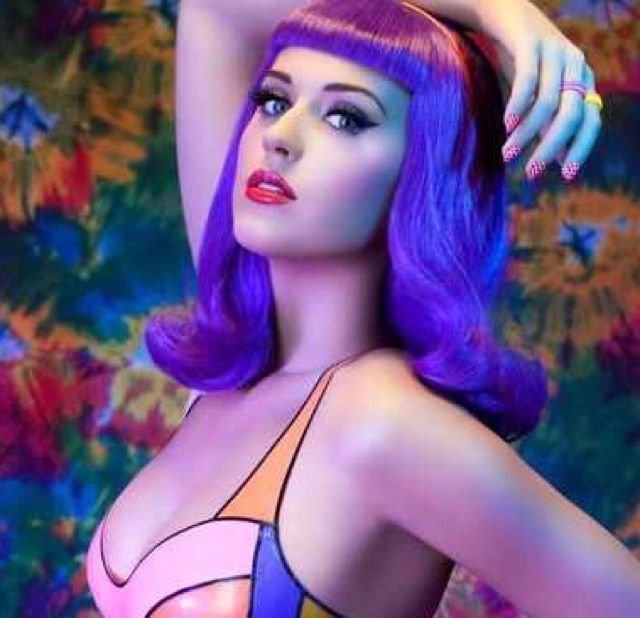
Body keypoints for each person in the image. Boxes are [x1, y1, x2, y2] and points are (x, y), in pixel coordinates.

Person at [84, 1, 639, 616]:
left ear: (423, 171)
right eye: (274, 100)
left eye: (345, 118)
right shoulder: (235, 378)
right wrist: (497, 10)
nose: (280, 136)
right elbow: (216, 8)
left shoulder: (385, 425)